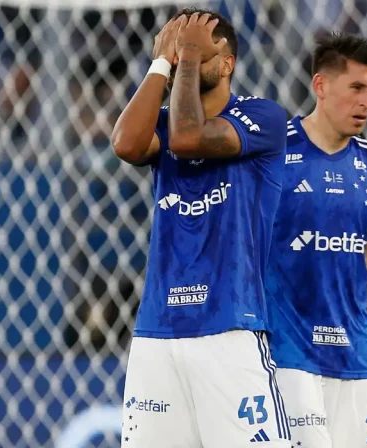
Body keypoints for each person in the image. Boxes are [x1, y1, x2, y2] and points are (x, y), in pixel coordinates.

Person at [111, 8, 290, 448]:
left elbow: (189, 137)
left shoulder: (263, 117)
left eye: (199, 52)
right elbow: (126, 143)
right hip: (159, 329)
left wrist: (185, 58)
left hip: (229, 326)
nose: (185, 57)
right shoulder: (163, 119)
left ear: (227, 63)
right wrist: (159, 65)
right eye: (179, 50)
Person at [264, 33, 367, 447]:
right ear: (321, 85)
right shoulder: (273, 153)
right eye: (356, 87)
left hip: (354, 354)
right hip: (287, 351)